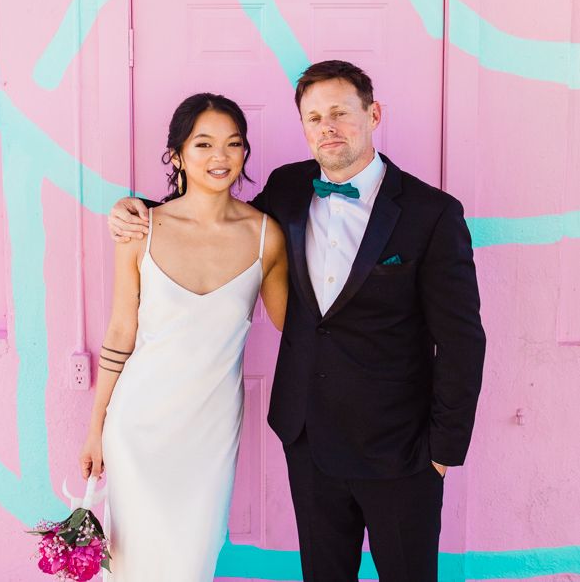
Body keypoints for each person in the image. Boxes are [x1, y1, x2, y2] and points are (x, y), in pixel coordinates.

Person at [107, 60, 486, 582]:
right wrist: (139, 208)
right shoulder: (287, 189)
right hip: (308, 436)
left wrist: (444, 450)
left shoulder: (432, 213)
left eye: (340, 113)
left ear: (372, 114)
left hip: (402, 447)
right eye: (313, 118)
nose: (327, 128)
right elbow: (215, 221)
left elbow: (462, 339)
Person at [79, 92, 288, 582]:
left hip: (210, 431)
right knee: (130, 563)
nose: (220, 157)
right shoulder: (140, 228)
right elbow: (119, 331)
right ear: (176, 155)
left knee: (191, 563)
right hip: (136, 425)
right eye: (204, 144)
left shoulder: (266, 236)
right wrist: (95, 427)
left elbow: (295, 328)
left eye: (233, 144)